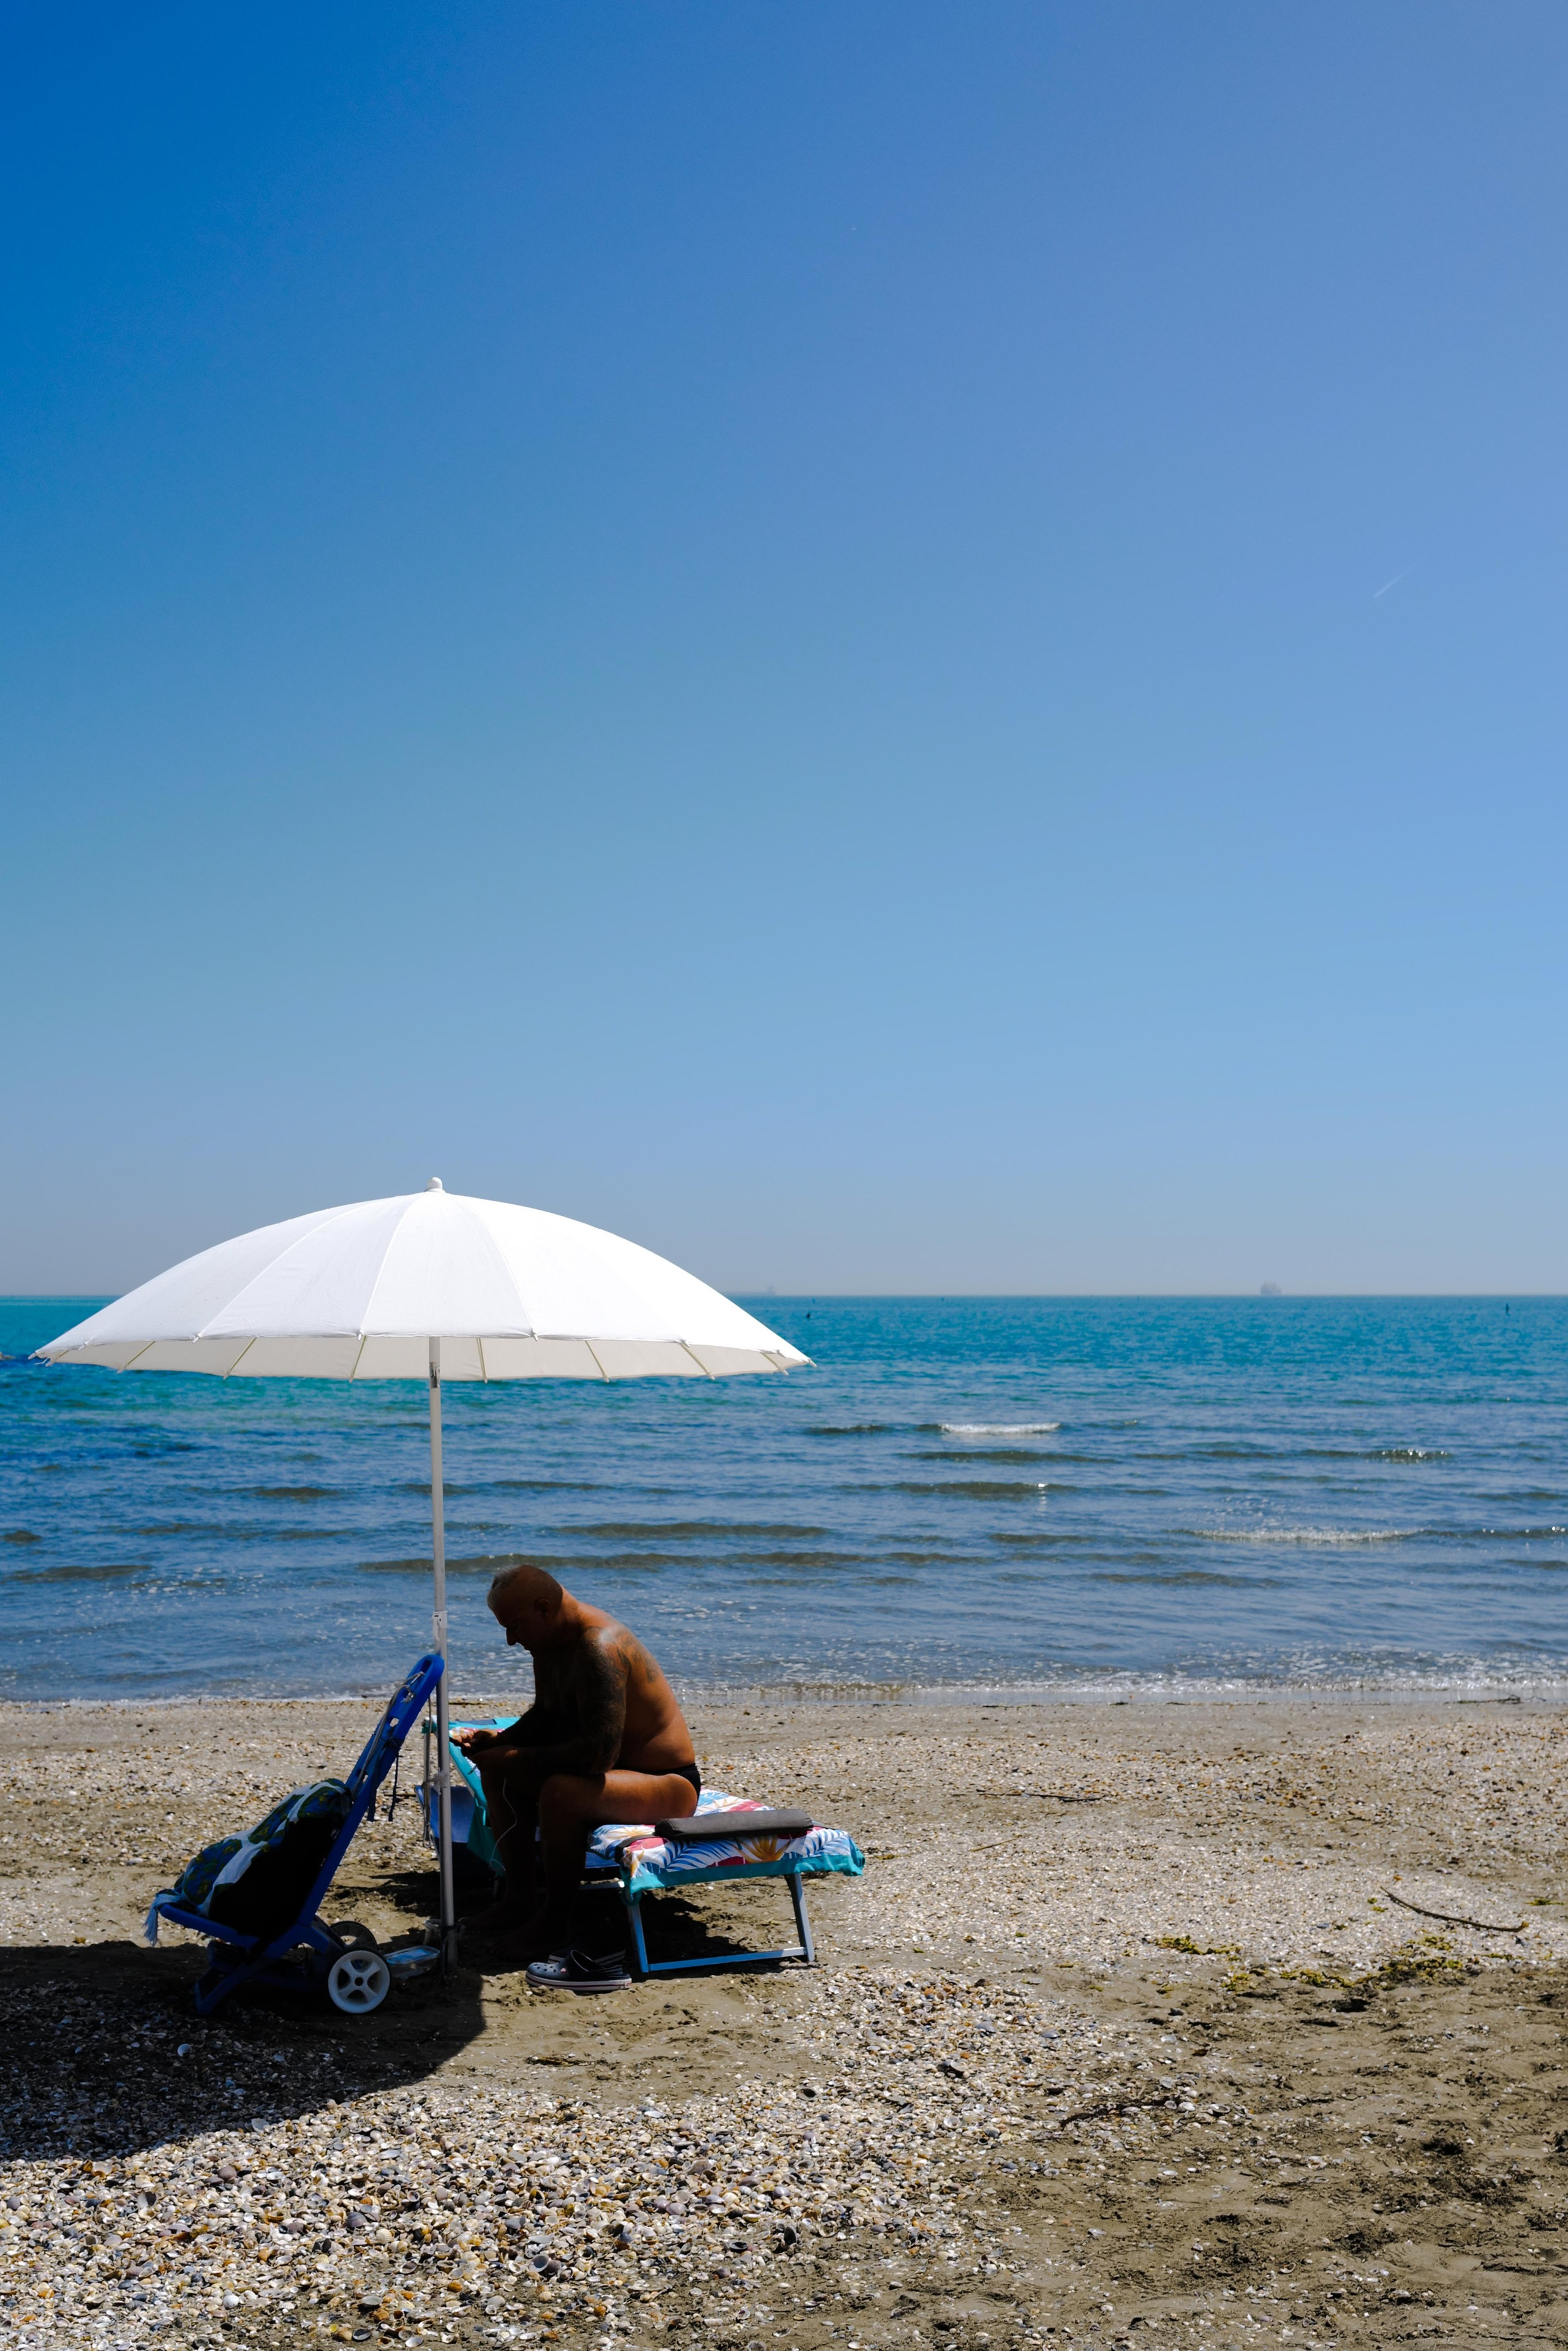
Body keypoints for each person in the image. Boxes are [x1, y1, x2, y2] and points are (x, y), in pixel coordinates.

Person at [453, 1562, 700, 1960]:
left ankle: (555, 1923)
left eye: (514, 1626)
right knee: (498, 1771)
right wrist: (500, 1743)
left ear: (545, 1609)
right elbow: (547, 1715)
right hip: (619, 1776)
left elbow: (596, 1756)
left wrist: (515, 1756)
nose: (510, 1641)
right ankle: (520, 1900)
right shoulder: (550, 1644)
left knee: (561, 1793)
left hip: (669, 1784)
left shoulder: (598, 1646)